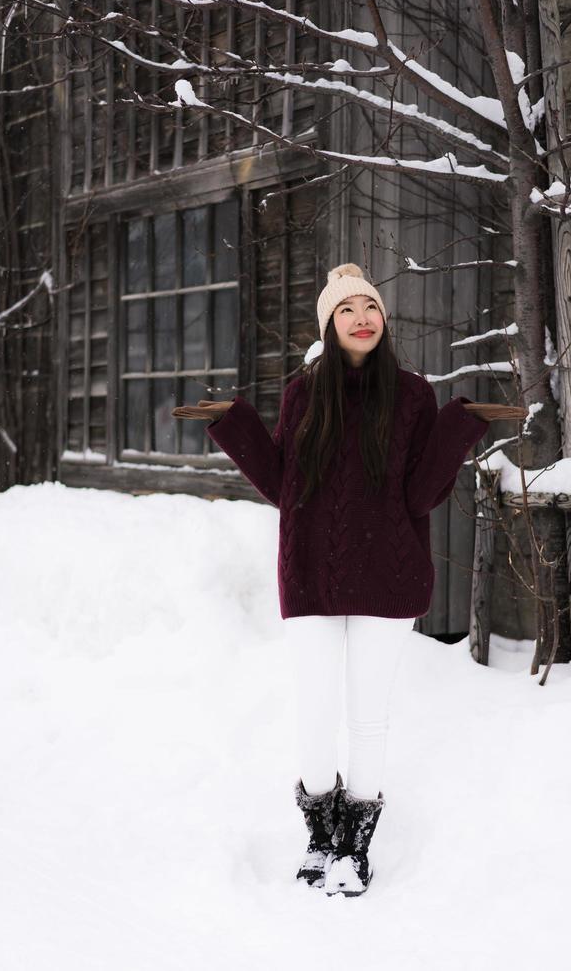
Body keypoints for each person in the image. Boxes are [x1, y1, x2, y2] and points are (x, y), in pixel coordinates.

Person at [172, 263, 526, 898]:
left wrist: (460, 425)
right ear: (330, 326)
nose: (362, 316)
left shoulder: (413, 395)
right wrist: (235, 422)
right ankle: (318, 833)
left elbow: (420, 495)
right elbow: (284, 484)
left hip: (387, 576)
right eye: (346, 309)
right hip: (310, 574)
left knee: (367, 716)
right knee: (314, 711)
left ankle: (354, 845)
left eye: (370, 306)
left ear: (383, 320)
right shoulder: (304, 393)